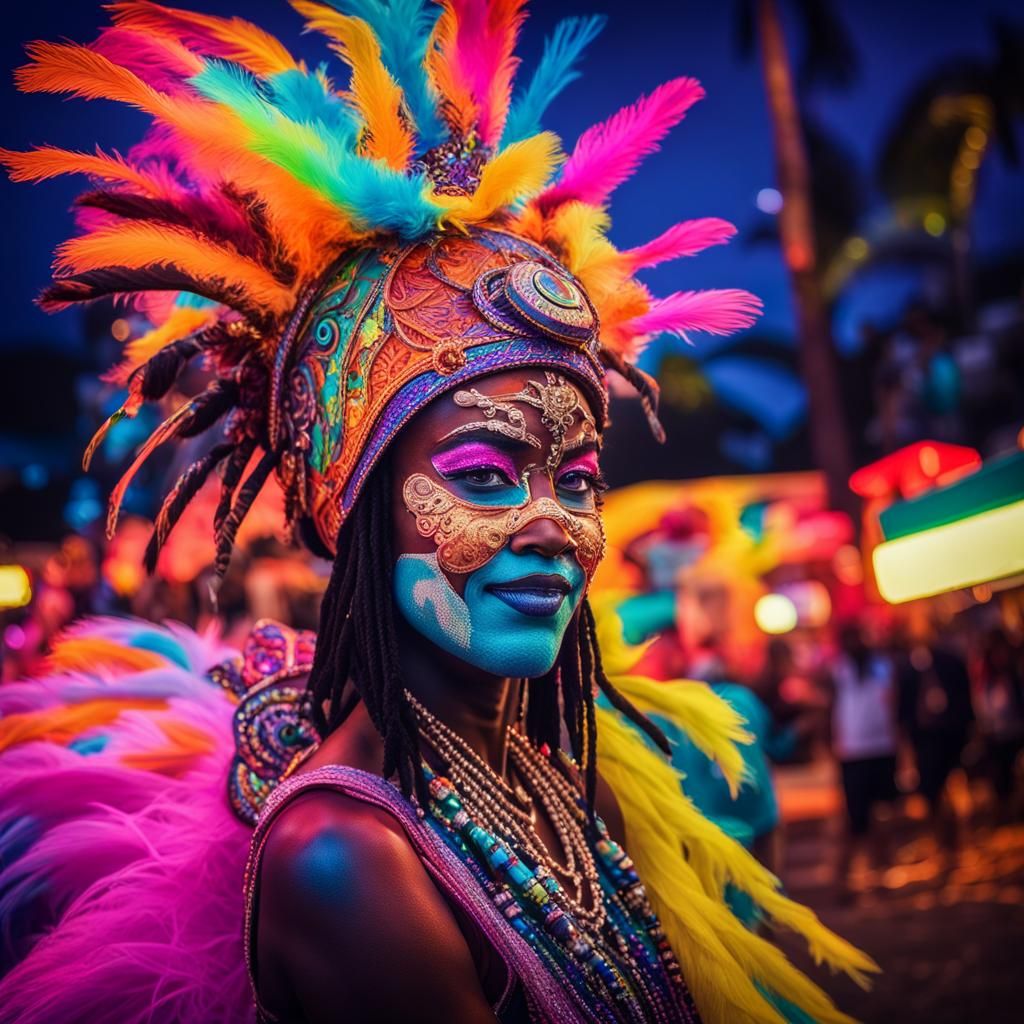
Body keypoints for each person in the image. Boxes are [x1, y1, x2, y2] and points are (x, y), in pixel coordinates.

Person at [0, 3, 875, 1022]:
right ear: (358, 511)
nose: (555, 523)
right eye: (487, 475)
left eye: (577, 478)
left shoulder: (562, 781)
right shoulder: (344, 856)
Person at [828, 624, 899, 895]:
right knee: (854, 819)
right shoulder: (838, 671)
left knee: (882, 814)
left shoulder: (882, 666)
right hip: (853, 753)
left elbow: (893, 701)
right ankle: (846, 879)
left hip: (881, 748)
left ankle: (880, 875)